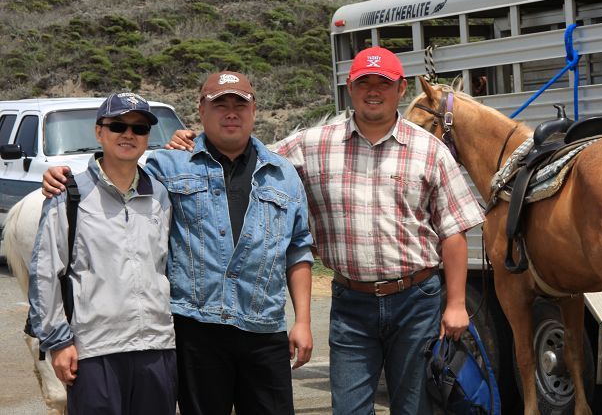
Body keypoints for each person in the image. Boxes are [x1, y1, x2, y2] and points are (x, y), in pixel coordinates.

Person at [166, 47, 485, 415]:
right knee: (349, 409)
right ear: (350, 88)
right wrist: (193, 142)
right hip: (352, 303)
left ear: (401, 90)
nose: (373, 91)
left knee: (413, 408)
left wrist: (457, 303)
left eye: (383, 83)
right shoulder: (314, 144)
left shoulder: (430, 150)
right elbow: (249, 156)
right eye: (364, 82)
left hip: (415, 299)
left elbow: (453, 231)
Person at [42, 72, 314, 415]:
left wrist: (302, 321)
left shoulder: (283, 173)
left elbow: (298, 248)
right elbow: (117, 174)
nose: (231, 112)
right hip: (196, 332)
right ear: (201, 110)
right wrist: (63, 176)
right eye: (220, 104)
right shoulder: (167, 166)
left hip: (264, 329)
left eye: (239, 104)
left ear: (254, 110)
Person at [29, 92, 177, 414]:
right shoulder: (69, 195)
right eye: (118, 126)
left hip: (157, 348)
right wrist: (58, 341)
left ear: (147, 137)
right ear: (99, 132)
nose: (128, 134)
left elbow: (166, 268)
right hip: (95, 351)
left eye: (139, 129)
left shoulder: (160, 197)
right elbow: (44, 274)